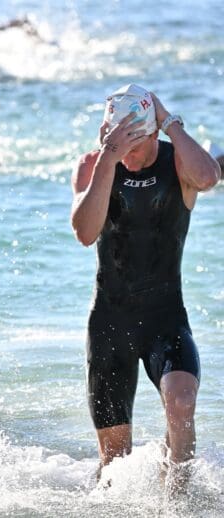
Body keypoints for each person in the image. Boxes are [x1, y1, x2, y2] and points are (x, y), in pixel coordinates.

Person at [70, 84, 221, 496]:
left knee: (181, 399)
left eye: (134, 143)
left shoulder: (180, 166)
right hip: (109, 325)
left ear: (153, 134)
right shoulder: (94, 165)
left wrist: (169, 120)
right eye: (118, 142)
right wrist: (108, 158)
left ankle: (180, 499)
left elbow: (209, 177)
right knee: (114, 466)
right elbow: (85, 232)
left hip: (165, 319)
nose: (128, 155)